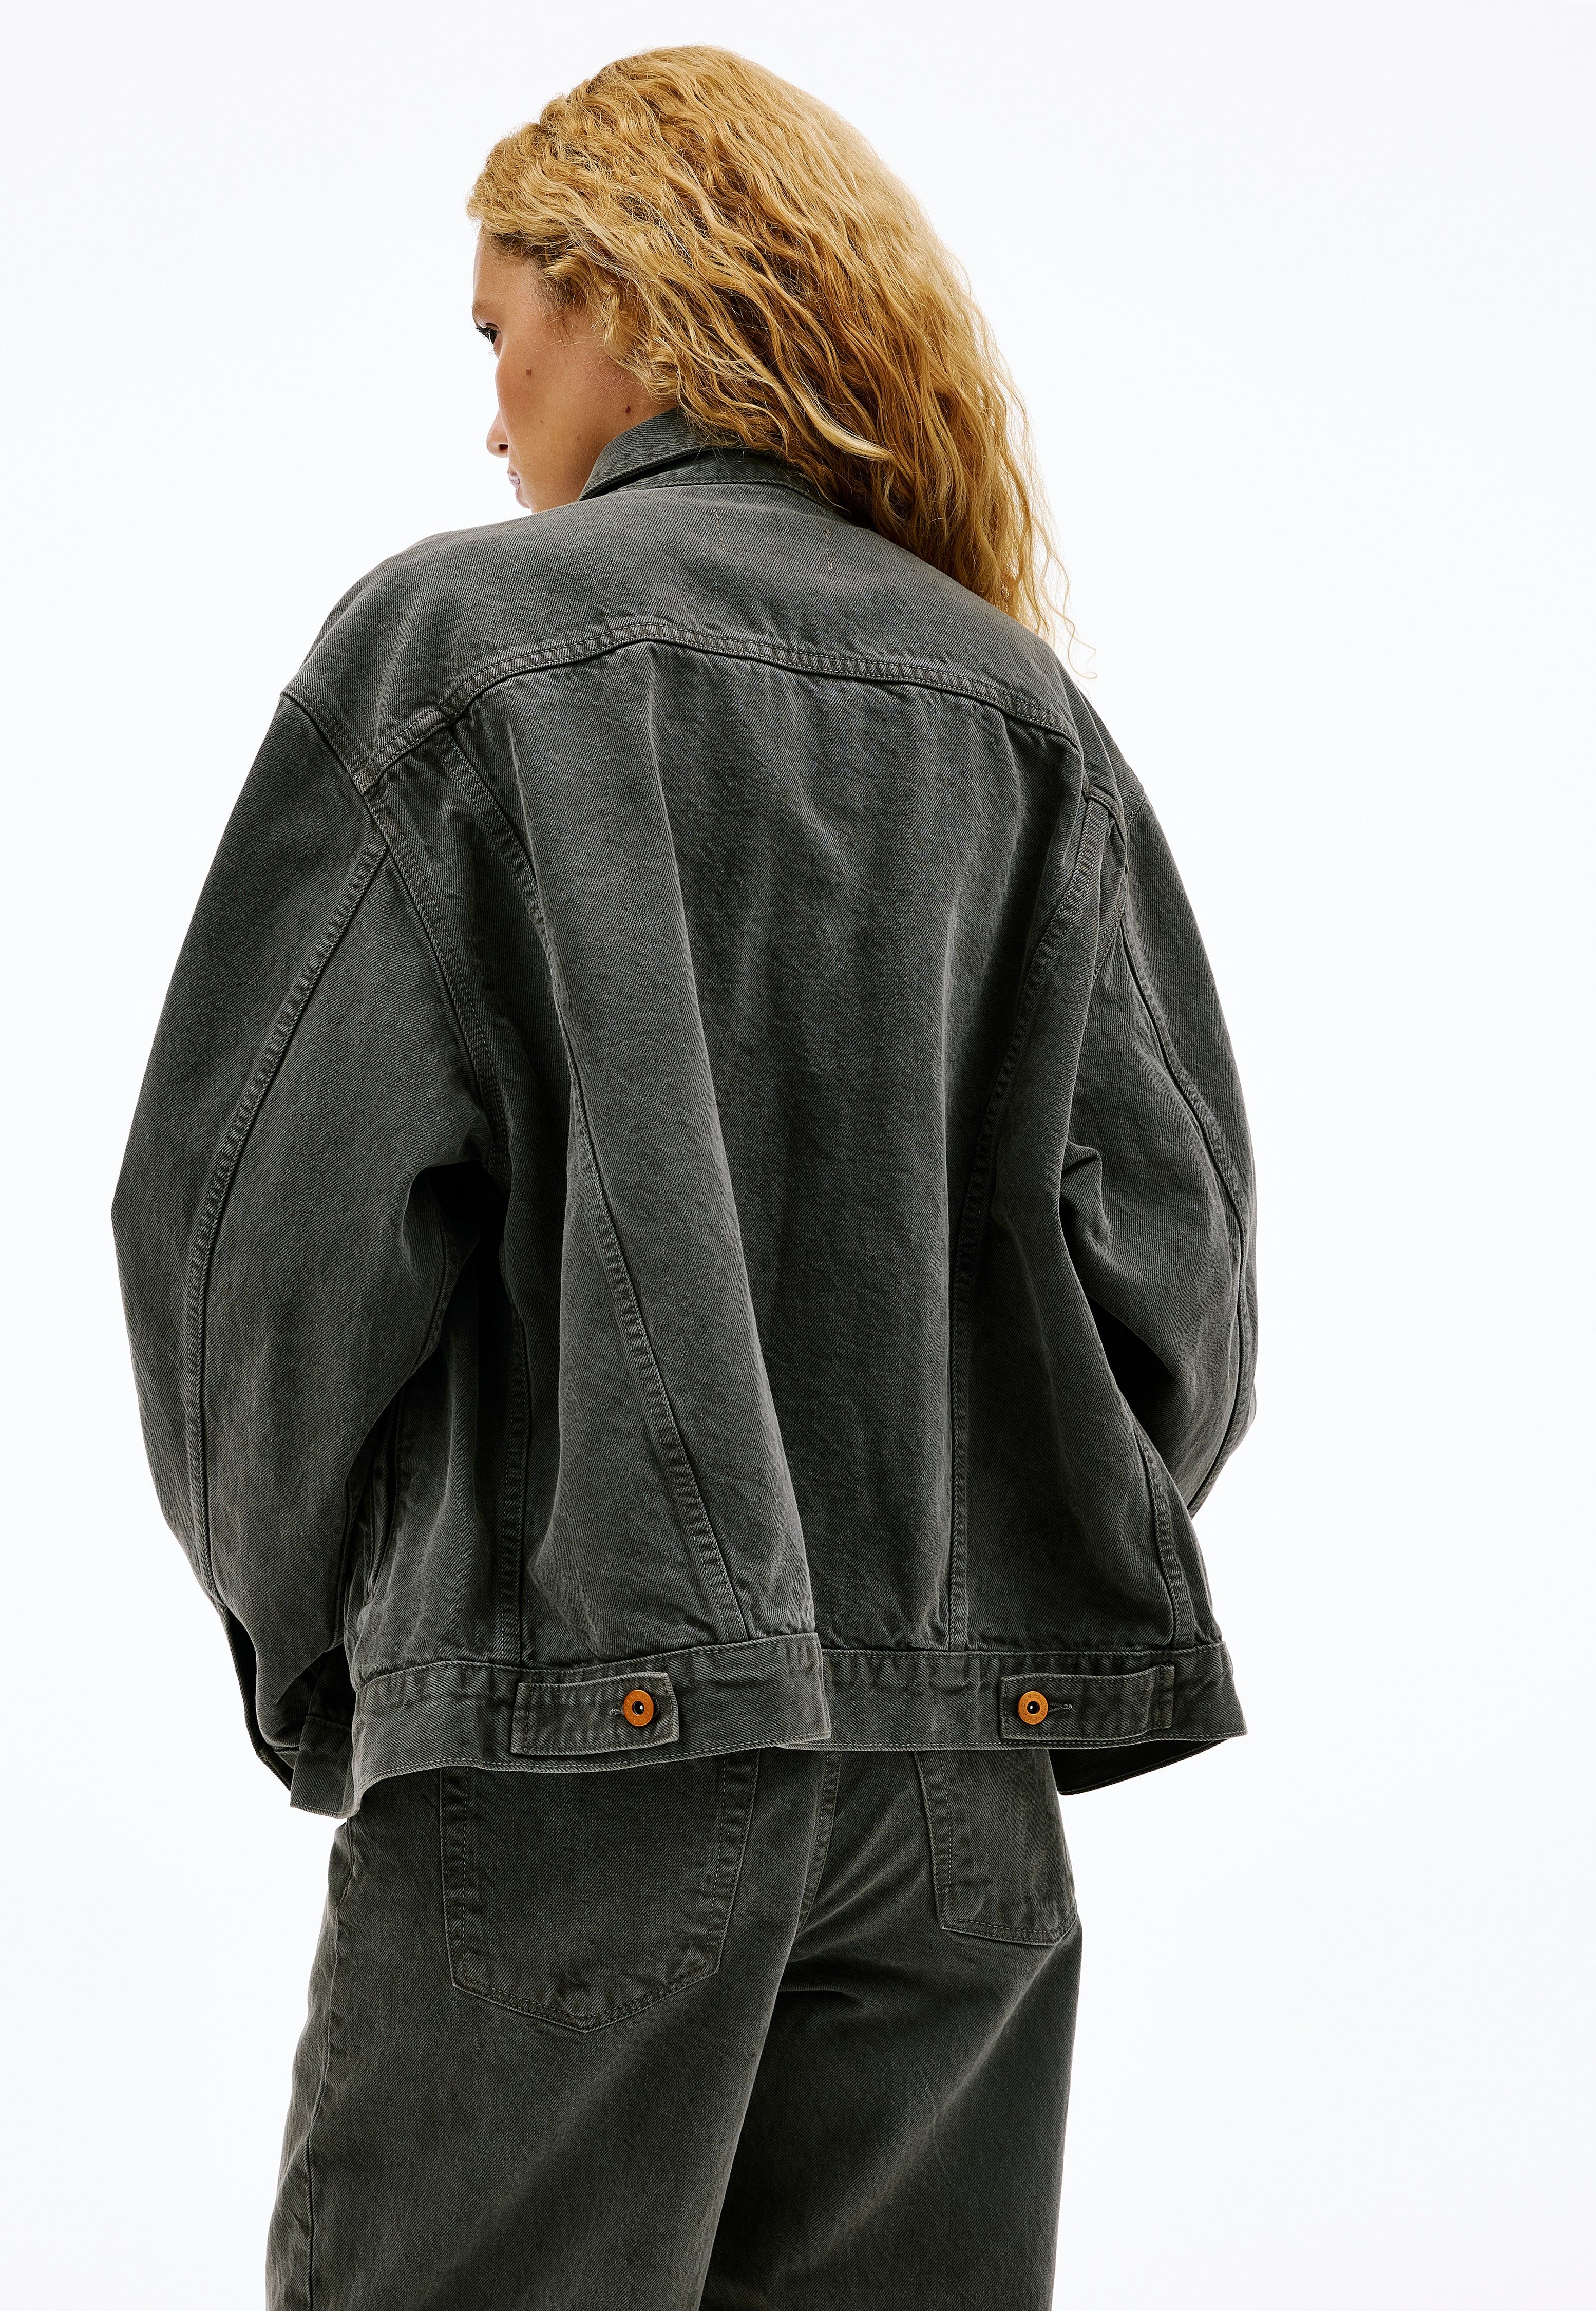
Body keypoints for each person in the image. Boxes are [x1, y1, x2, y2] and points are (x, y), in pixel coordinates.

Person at [112, 45, 1257, 2311]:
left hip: (572, 1751)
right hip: (955, 1802)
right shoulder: (1017, 709)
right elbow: (1179, 1277)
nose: (490, 415)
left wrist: (339, 1644)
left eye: (499, 332)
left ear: (626, 299)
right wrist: (984, 1582)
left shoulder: (459, 654)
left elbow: (238, 1234)